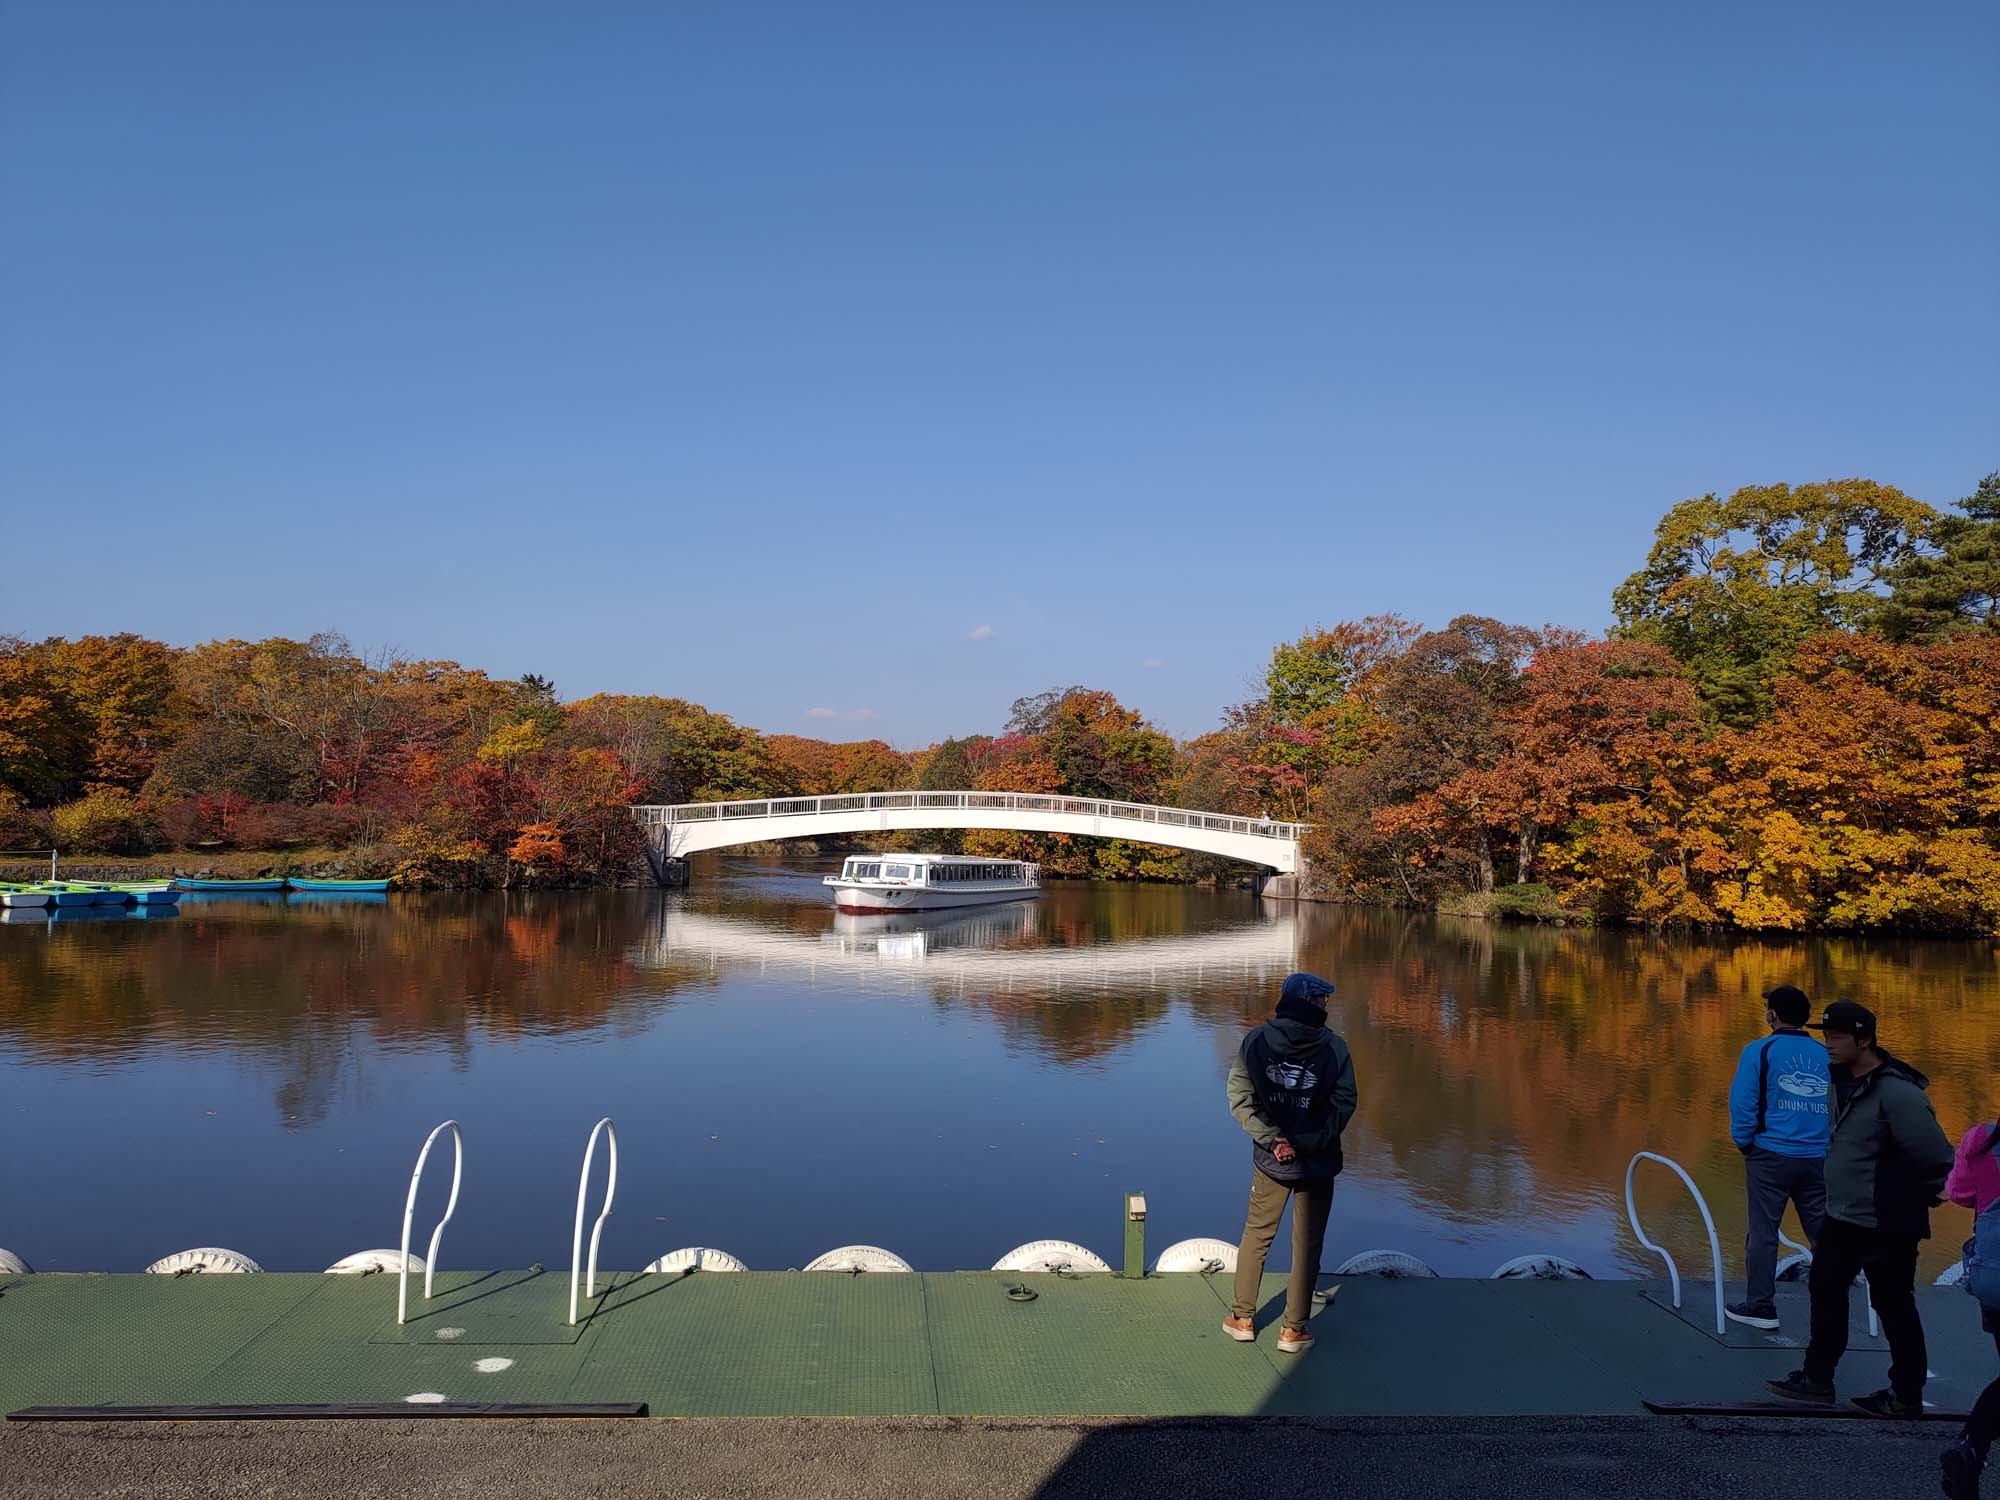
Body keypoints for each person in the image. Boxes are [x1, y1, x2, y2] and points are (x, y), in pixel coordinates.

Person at [1765, 1001, 1954, 1417]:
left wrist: (1916, 1190)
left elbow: (1937, 1156)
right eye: (1826, 1036)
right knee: (1825, 1288)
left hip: (1887, 1222)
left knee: (1893, 1304)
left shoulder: (1898, 1093)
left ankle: (1905, 1395)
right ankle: (1817, 1379)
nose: (1828, 1045)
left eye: (1837, 1037)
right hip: (1844, 1216)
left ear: (1864, 1040)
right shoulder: (1841, 1081)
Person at [1223, 971, 1357, 1355]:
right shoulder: (1335, 1048)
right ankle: (1293, 1330)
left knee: (1257, 1234)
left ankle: (1242, 1319)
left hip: (1272, 1160)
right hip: (1318, 1162)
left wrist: (1273, 1139)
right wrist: (1307, 1142)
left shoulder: (1256, 1041)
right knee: (1308, 1244)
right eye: (1323, 1000)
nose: (1326, 1005)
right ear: (1312, 1003)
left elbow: (1239, 1098)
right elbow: (1344, 1103)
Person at [1724, 983, 1830, 1329]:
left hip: (1769, 1156)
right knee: (1824, 1235)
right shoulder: (1826, 1054)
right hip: (1818, 1158)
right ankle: (1832, 1304)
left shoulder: (1759, 1050)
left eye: (1767, 1007)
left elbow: (1743, 1103)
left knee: (1763, 1234)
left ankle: (1760, 1307)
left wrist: (1745, 1144)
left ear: (1773, 1015)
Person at [1940, 1119, 2000, 1498]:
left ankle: (1970, 1452)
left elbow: (1959, 1193)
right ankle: (1970, 1448)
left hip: (1993, 1273)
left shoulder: (1981, 1139)